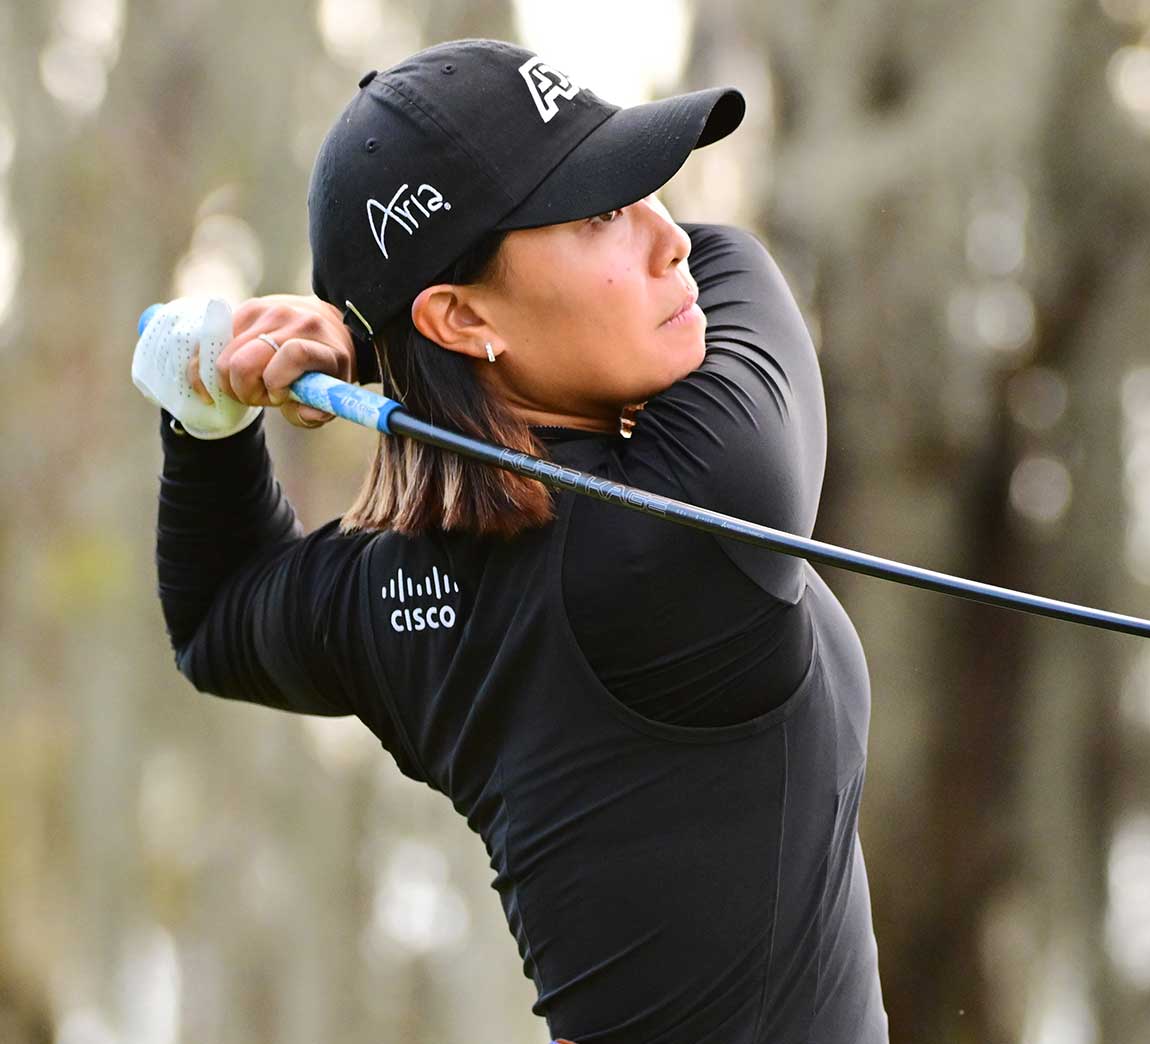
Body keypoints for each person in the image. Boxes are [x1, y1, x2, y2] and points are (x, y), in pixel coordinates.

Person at [150, 38, 887, 1044]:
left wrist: (207, 413)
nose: (666, 239)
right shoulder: (686, 514)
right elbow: (733, 261)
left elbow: (214, 616)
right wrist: (371, 333)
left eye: (638, 193)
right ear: (459, 317)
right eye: (597, 214)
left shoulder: (390, 597)